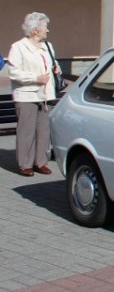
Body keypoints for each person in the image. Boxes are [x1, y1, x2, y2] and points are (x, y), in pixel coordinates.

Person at [7, 12, 59, 177]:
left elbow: (54, 63)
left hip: (45, 95)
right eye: (45, 27)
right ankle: (25, 164)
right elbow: (13, 72)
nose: (48, 31)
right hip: (26, 95)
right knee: (27, 131)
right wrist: (35, 78)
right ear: (35, 30)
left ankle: (40, 162)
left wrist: (57, 68)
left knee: (44, 131)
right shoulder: (18, 47)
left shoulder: (48, 46)